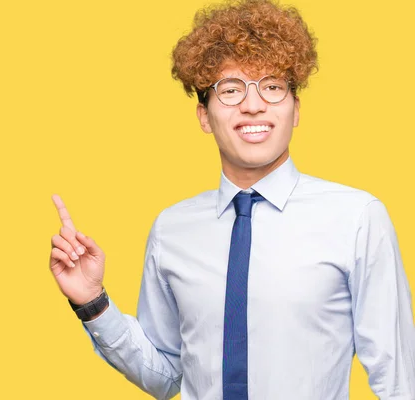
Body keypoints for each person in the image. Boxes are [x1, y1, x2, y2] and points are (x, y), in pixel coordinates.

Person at [49, 0, 415, 398]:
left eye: (272, 87)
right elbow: (166, 377)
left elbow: (398, 378)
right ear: (204, 116)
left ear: (295, 110)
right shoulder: (172, 229)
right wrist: (93, 303)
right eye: (230, 89)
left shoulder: (356, 218)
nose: (253, 104)